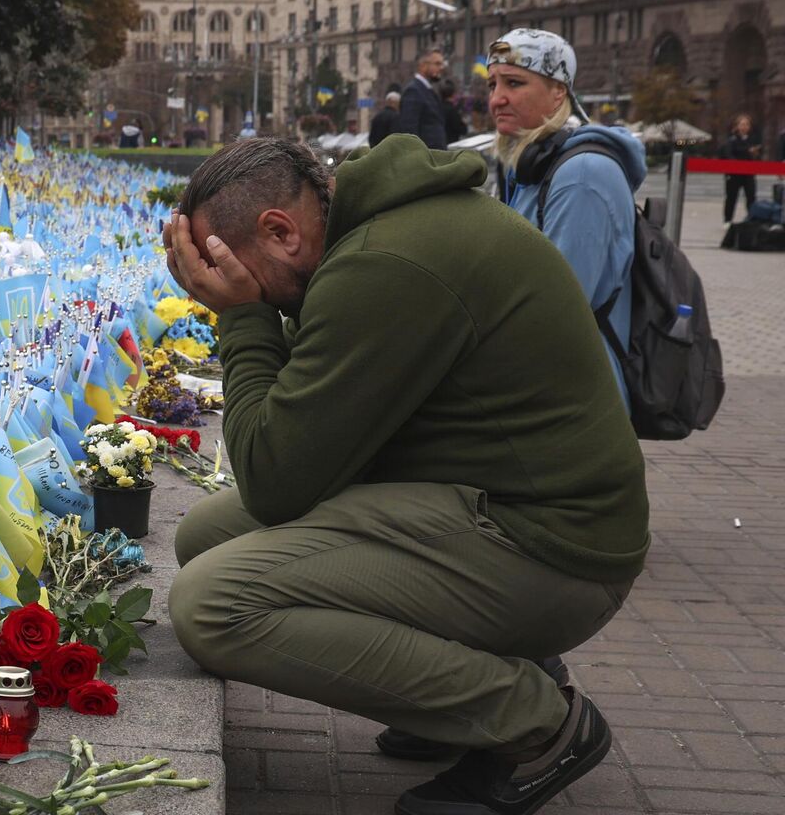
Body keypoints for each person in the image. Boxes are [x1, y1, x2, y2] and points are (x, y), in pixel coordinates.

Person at [162, 136, 645, 815]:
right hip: (506, 510)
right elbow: (303, 446)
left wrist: (243, 318)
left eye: (225, 267)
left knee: (212, 607)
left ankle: (535, 723)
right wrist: (257, 304)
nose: (222, 284)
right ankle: (489, 672)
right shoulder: (381, 232)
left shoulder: (385, 264)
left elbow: (275, 475)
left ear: (279, 230)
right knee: (208, 536)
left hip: (554, 552)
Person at [488, 28, 643, 400]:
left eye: (514, 83)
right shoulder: (526, 169)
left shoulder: (583, 175)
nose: (497, 99)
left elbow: (558, 308)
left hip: (574, 402)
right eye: (492, 84)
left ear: (559, 91)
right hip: (543, 387)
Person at [395, 48, 451, 148]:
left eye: (442, 64)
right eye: (437, 64)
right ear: (423, 66)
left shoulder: (428, 90)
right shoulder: (413, 91)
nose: (441, 68)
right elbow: (409, 132)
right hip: (425, 159)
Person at [721, 114, 762, 225]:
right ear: (737, 126)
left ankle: (751, 218)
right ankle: (727, 219)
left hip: (748, 173)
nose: (744, 127)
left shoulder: (753, 139)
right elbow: (728, 154)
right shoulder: (732, 140)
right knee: (731, 197)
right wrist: (746, 152)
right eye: (742, 124)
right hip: (734, 173)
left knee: (751, 196)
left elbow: (757, 156)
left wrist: (755, 154)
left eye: (747, 124)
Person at [438, 75, 467, 144]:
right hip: (451, 144)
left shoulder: (436, 108)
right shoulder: (453, 111)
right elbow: (462, 130)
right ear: (453, 94)